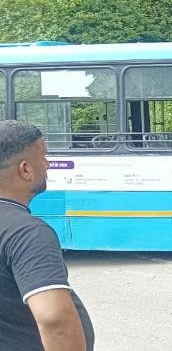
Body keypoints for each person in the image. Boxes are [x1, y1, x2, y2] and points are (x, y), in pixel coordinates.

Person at [0, 120, 95, 351]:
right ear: (25, 169)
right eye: (43, 156)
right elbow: (55, 321)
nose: (48, 165)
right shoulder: (26, 233)